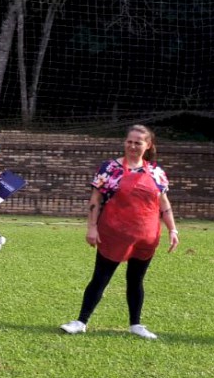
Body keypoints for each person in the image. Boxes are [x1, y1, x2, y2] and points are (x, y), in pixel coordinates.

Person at [60, 125, 179, 340]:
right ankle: (81, 321)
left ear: (148, 145)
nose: (132, 146)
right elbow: (95, 200)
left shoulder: (156, 172)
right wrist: (92, 227)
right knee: (100, 278)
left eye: (138, 142)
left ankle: (136, 324)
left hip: (146, 235)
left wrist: (172, 229)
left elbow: (164, 203)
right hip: (113, 234)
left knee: (136, 280)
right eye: (129, 141)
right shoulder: (109, 168)